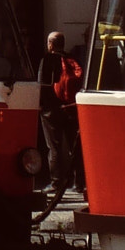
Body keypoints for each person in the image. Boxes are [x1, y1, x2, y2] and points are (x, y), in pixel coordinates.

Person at [38, 29, 83, 201]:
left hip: (51, 110)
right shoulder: (73, 59)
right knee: (73, 146)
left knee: (54, 147)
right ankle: (78, 183)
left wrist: (41, 105)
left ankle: (56, 182)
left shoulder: (47, 60)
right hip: (71, 108)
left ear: (50, 44)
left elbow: (42, 84)